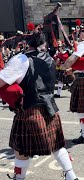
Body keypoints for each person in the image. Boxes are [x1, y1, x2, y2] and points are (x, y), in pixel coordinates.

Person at [0, 29, 78, 180]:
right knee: (56, 145)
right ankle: (71, 177)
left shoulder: (20, 60)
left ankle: (19, 178)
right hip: (50, 108)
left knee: (21, 149)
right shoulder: (48, 58)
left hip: (29, 110)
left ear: (25, 44)